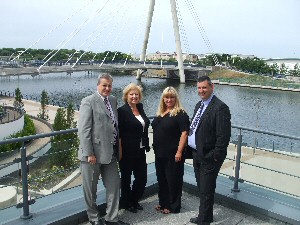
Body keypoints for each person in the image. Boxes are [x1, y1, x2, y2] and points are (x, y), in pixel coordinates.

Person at [78, 74, 129, 225]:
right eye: (104, 85)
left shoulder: (112, 100)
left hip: (110, 153)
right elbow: (84, 130)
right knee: (90, 190)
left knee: (114, 185)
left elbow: (115, 126)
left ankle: (111, 218)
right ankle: (94, 219)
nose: (107, 88)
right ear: (98, 85)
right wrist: (89, 153)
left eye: (109, 86)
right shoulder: (88, 101)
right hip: (92, 155)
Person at [188, 76, 231, 225]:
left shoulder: (220, 108)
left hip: (209, 157)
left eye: (204, 87)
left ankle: (203, 220)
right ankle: (207, 216)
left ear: (212, 87)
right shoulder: (199, 105)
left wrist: (215, 156)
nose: (201, 91)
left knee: (206, 190)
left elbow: (223, 137)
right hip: (197, 154)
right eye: (199, 88)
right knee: (202, 189)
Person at [151, 86, 190, 214]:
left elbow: (184, 133)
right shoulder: (161, 113)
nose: (169, 99)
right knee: (162, 179)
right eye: (166, 97)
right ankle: (163, 203)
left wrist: (179, 152)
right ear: (163, 99)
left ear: (175, 98)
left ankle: (173, 206)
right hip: (160, 153)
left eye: (171, 97)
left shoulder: (180, 113)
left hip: (173, 154)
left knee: (173, 180)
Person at [118, 83, 150, 213]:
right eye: (131, 94)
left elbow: (143, 125)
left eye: (136, 94)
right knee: (126, 179)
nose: (134, 96)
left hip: (141, 149)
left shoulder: (140, 108)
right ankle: (126, 203)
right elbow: (118, 133)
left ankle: (134, 200)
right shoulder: (122, 111)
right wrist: (119, 151)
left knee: (142, 178)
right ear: (126, 96)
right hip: (126, 151)